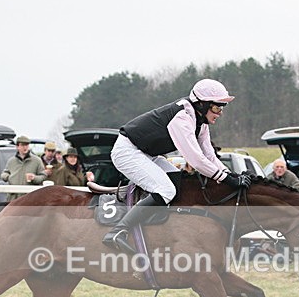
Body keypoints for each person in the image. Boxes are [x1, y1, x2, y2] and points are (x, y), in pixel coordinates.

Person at [101, 78, 249, 253]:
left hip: (146, 154)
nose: (220, 113)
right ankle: (118, 232)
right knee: (166, 190)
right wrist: (225, 178)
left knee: (179, 182)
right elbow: (196, 160)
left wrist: (229, 174)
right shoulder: (182, 118)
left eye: (222, 108)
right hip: (127, 152)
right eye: (217, 107)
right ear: (202, 104)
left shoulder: (200, 122)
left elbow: (209, 155)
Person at [1, 135, 47, 200]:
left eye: (27, 145)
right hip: (13, 198)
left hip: (30, 198)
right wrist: (8, 177)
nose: (25, 147)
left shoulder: (37, 160)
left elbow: (43, 176)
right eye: (22, 145)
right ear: (17, 147)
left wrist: (34, 178)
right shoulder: (11, 161)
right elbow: (4, 173)